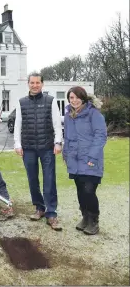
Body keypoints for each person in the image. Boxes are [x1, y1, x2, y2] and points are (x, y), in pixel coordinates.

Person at [14, 72, 63, 231]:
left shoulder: (51, 101)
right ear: (28, 84)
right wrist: (17, 143)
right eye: (32, 83)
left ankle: (51, 213)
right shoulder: (21, 102)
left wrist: (58, 142)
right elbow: (18, 125)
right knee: (32, 179)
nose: (35, 85)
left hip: (47, 147)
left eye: (38, 83)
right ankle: (39, 208)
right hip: (28, 148)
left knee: (49, 179)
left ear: (42, 84)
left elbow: (57, 124)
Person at [63, 86, 107, 235]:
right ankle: (85, 218)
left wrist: (92, 157)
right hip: (75, 160)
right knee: (81, 191)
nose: (74, 100)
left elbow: (100, 136)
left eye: (76, 97)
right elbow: (67, 137)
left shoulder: (93, 114)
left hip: (90, 159)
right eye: (71, 98)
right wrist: (66, 154)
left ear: (83, 97)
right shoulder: (69, 115)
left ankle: (94, 221)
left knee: (89, 190)